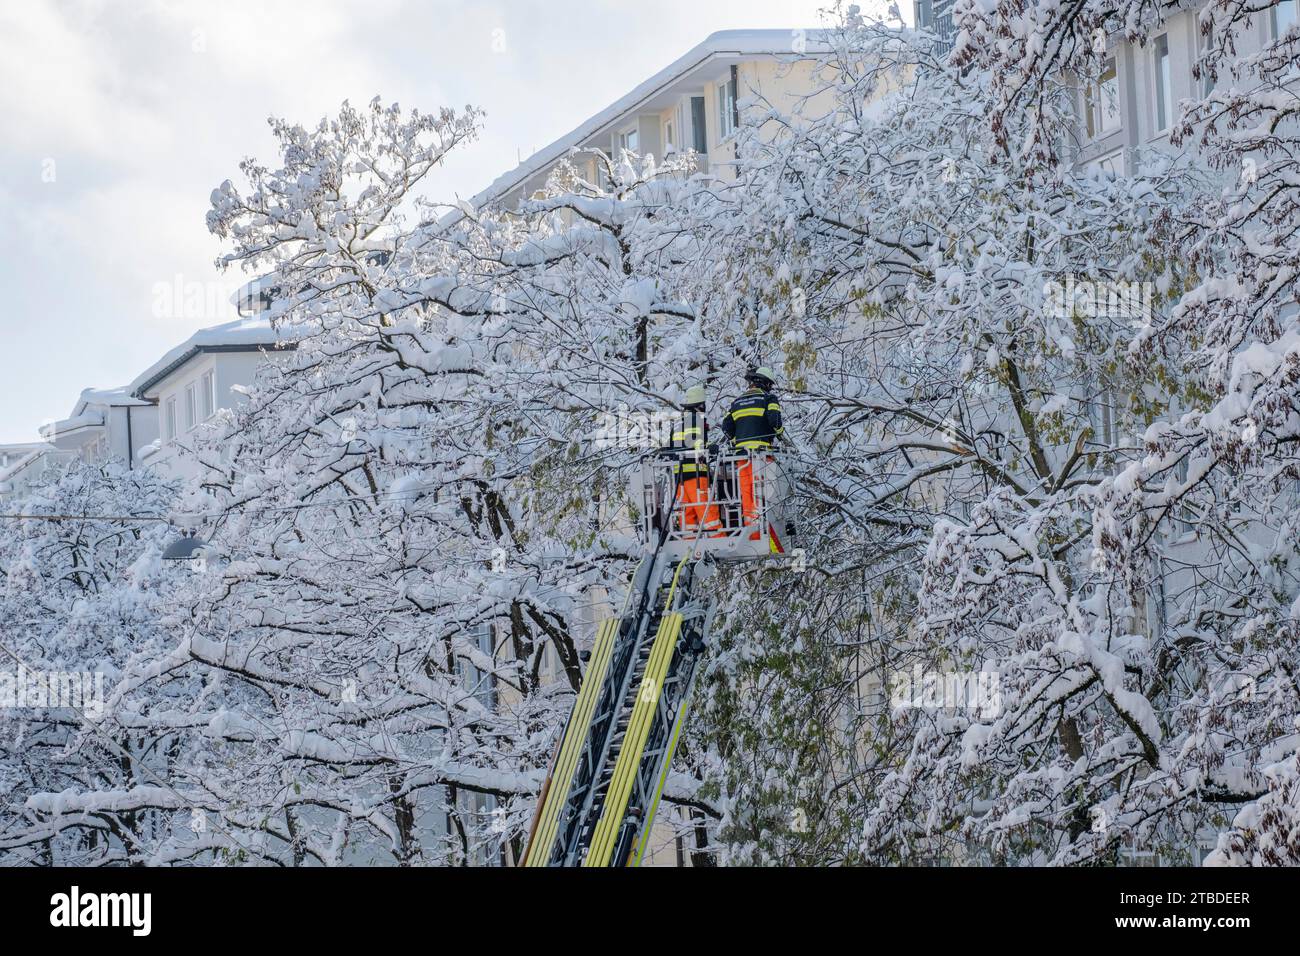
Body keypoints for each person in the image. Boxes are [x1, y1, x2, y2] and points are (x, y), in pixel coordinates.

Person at [721, 366, 783, 539]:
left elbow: (726, 427)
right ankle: (766, 530)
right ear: (765, 383)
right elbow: (775, 421)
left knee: (748, 497)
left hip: (742, 459)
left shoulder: (737, 402)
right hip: (762, 456)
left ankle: (753, 533)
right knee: (766, 495)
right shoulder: (768, 398)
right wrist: (780, 434)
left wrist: (737, 442)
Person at [666, 383, 722, 536]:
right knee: (709, 516)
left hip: (679, 479)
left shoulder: (677, 423)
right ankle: (718, 542)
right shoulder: (696, 420)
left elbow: (669, 448)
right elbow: (697, 444)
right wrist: (711, 448)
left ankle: (689, 549)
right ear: (700, 405)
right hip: (696, 477)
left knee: (688, 518)